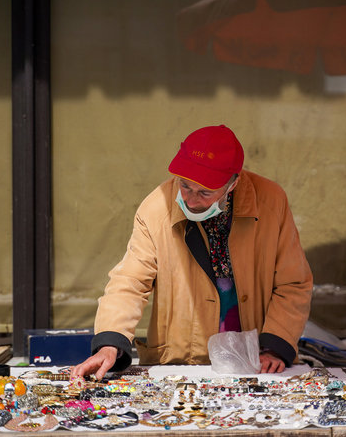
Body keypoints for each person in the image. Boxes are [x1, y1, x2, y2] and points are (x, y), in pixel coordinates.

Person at [71, 125, 313, 380]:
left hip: (256, 362)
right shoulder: (155, 209)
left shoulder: (271, 202)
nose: (190, 199)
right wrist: (110, 341)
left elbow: (293, 282)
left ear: (233, 183)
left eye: (205, 192)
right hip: (180, 362)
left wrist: (274, 347)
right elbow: (130, 281)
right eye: (185, 186)